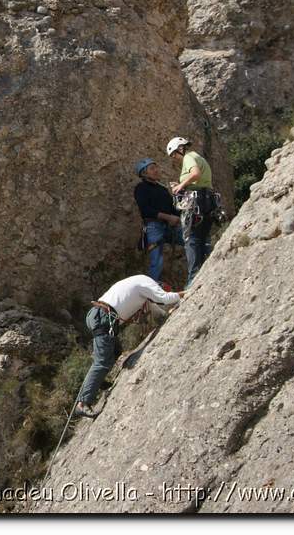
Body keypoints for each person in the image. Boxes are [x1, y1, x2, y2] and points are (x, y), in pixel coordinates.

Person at [74, 274, 183, 417]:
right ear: (157, 286)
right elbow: (164, 298)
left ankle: (98, 380)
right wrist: (187, 293)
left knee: (115, 352)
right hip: (103, 317)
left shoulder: (138, 283)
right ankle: (83, 403)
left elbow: (158, 312)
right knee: (102, 362)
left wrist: (166, 315)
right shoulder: (146, 284)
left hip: (99, 314)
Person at [166, 136, 215, 288]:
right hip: (208, 200)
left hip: (197, 202)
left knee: (191, 239)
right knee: (202, 237)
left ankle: (193, 280)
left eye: (174, 155)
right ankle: (209, 269)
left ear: (180, 149)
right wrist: (183, 185)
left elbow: (195, 174)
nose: (174, 159)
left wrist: (180, 186)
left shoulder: (188, 157)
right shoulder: (198, 157)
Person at [133, 157, 181, 282]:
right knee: (156, 262)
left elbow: (172, 208)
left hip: (169, 226)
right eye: (152, 168)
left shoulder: (163, 189)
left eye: (156, 167)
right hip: (153, 227)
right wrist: (169, 217)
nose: (156, 170)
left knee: (190, 242)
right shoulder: (141, 188)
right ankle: (152, 294)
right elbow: (145, 210)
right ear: (144, 173)